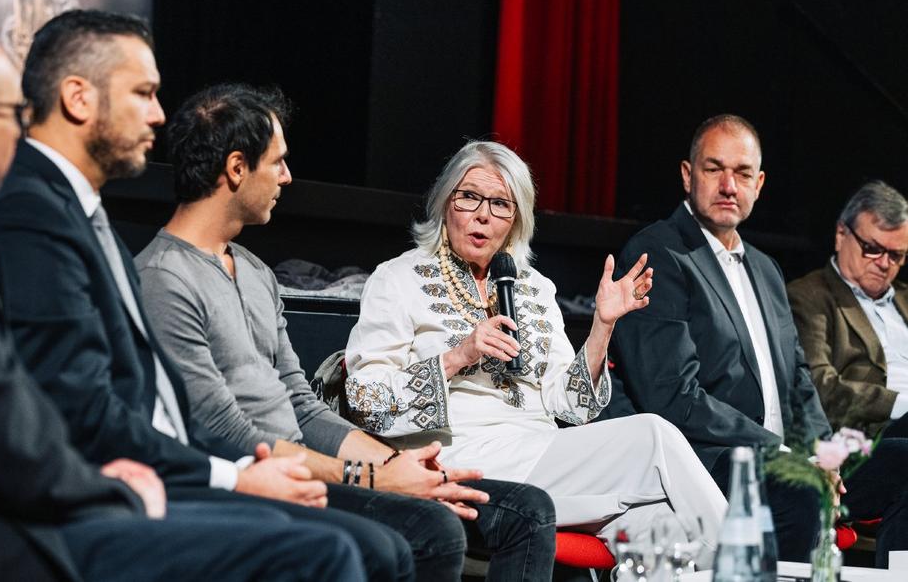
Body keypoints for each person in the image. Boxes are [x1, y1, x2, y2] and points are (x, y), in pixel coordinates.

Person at [0, 27, 363, 581]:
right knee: (326, 551)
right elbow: (8, 415)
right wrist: (120, 486)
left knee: (340, 542)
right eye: (144, 93)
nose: (158, 115)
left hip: (96, 479)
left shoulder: (18, 221)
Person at [135, 83, 558, 581]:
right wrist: (375, 475)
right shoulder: (164, 277)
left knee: (495, 515)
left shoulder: (254, 271)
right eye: (277, 162)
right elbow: (222, 431)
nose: (287, 177)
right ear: (236, 169)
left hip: (305, 463)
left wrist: (399, 467)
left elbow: (301, 404)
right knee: (428, 532)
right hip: (246, 476)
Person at [342, 139, 727, 564]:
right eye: (469, 196)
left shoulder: (535, 288)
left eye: (500, 204)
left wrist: (603, 326)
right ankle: (752, 563)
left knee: (663, 531)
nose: (483, 215)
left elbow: (572, 406)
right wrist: (458, 356)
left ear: (516, 219)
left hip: (544, 454)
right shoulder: (398, 279)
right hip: (463, 456)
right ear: (445, 202)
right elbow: (364, 401)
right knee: (652, 435)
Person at [611, 114, 832, 562]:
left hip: (784, 456)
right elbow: (671, 395)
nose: (729, 186)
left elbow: (798, 377)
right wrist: (778, 449)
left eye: (743, 173)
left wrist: (824, 454)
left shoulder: (766, 269)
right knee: (799, 491)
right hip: (708, 456)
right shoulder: (659, 252)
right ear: (687, 175)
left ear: (759, 184)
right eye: (714, 169)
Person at [788, 180, 908, 565]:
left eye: (897, 255)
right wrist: (901, 403)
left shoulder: (905, 299)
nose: (884, 263)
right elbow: (818, 386)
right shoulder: (809, 297)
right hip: (852, 451)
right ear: (842, 234)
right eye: (873, 249)